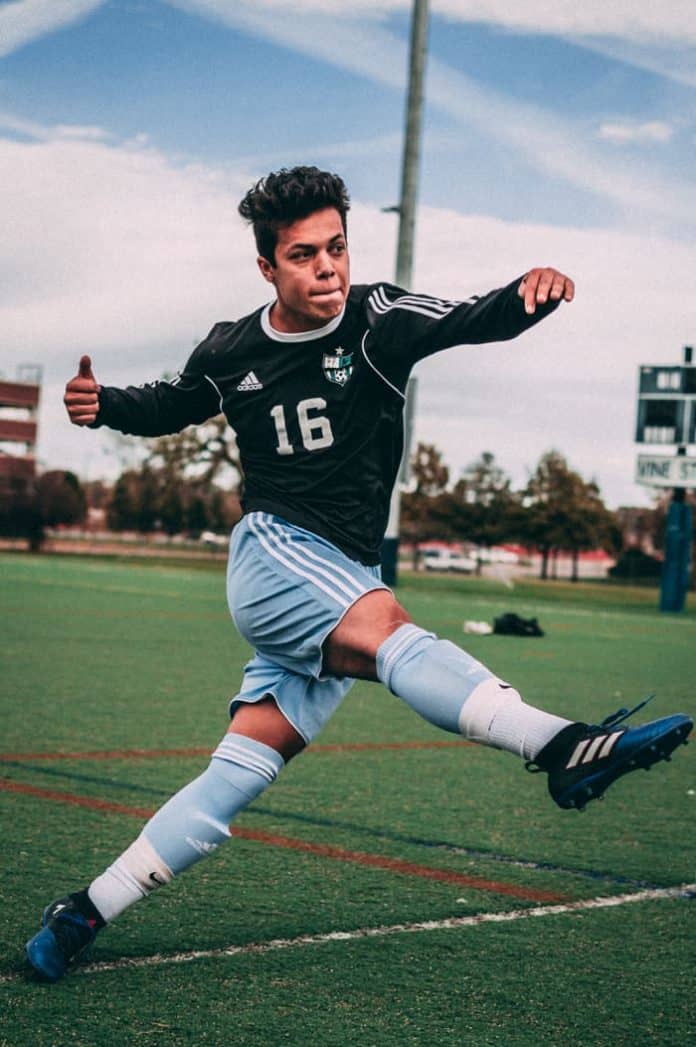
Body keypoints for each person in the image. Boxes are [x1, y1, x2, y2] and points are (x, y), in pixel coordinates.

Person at [26, 166, 692, 981]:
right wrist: (105, 402)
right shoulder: (232, 347)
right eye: (304, 255)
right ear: (267, 268)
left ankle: (84, 909)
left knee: (235, 776)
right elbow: (171, 402)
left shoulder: (378, 321)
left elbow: (467, 319)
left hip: (340, 576)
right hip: (275, 558)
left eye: (337, 247)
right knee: (392, 632)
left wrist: (529, 291)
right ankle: (564, 746)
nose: (329, 268)